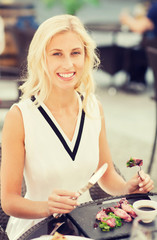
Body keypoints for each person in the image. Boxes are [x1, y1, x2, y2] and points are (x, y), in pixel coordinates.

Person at [1, 14, 154, 240]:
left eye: (75, 53)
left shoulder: (93, 107)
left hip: (86, 224)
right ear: (41, 58)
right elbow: (9, 202)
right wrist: (47, 206)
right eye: (57, 54)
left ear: (86, 56)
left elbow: (106, 174)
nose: (68, 64)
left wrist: (127, 189)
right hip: (38, 229)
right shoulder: (20, 116)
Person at [120, 1, 157, 90]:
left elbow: (139, 27)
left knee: (137, 51)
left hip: (153, 47)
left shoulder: (155, 7)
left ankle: (137, 83)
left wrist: (126, 19)